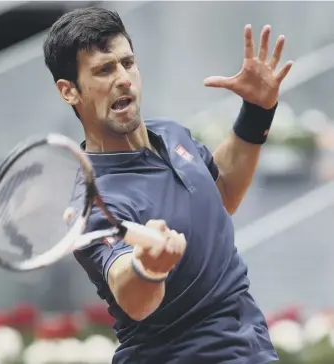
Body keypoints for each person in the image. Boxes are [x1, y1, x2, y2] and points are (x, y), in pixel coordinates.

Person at [43, 7, 292, 364]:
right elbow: (131, 295)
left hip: (251, 348)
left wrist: (256, 112)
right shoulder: (96, 202)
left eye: (127, 63)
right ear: (69, 91)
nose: (123, 78)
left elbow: (220, 194)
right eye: (104, 70)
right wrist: (148, 268)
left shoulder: (171, 133)